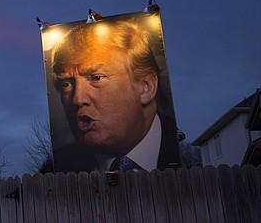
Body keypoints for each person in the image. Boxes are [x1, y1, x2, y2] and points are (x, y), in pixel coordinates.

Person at [50, 19, 181, 172]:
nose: (78, 99)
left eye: (96, 78)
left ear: (146, 87)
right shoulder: (64, 167)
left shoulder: (184, 152)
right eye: (66, 84)